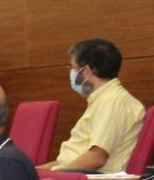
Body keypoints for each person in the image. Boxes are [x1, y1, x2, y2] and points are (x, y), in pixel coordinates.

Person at [39, 38, 144, 173]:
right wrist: (48, 169)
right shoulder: (103, 99)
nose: (72, 73)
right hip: (75, 175)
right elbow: (78, 154)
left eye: (74, 68)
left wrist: (56, 175)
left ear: (86, 71)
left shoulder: (113, 102)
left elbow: (96, 158)